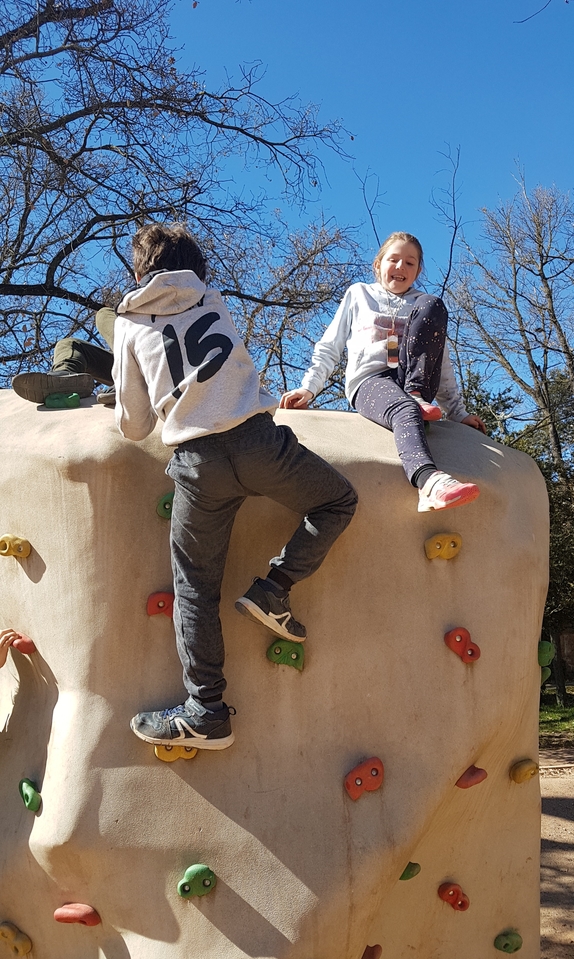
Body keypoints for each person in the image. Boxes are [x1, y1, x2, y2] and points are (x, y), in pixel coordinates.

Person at [113, 223, 357, 752]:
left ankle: (206, 711)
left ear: (139, 270)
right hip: (257, 443)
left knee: (194, 589)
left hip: (198, 464)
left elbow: (133, 426)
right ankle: (274, 587)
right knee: (338, 500)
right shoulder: (212, 298)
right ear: (196, 268)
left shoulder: (128, 323)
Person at [280, 231, 486, 512]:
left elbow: (441, 360)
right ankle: (429, 483)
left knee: (433, 304)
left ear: (418, 271)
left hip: (415, 380)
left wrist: (458, 412)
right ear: (378, 264)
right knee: (405, 409)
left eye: (410, 263)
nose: (401, 266)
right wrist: (309, 387)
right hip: (372, 380)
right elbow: (331, 345)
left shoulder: (421, 303)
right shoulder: (359, 294)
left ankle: (416, 395)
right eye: (394, 259)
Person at [11, 308, 117, 406]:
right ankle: (64, 377)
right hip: (119, 364)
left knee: (105, 314)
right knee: (70, 343)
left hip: (125, 363)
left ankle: (126, 381)